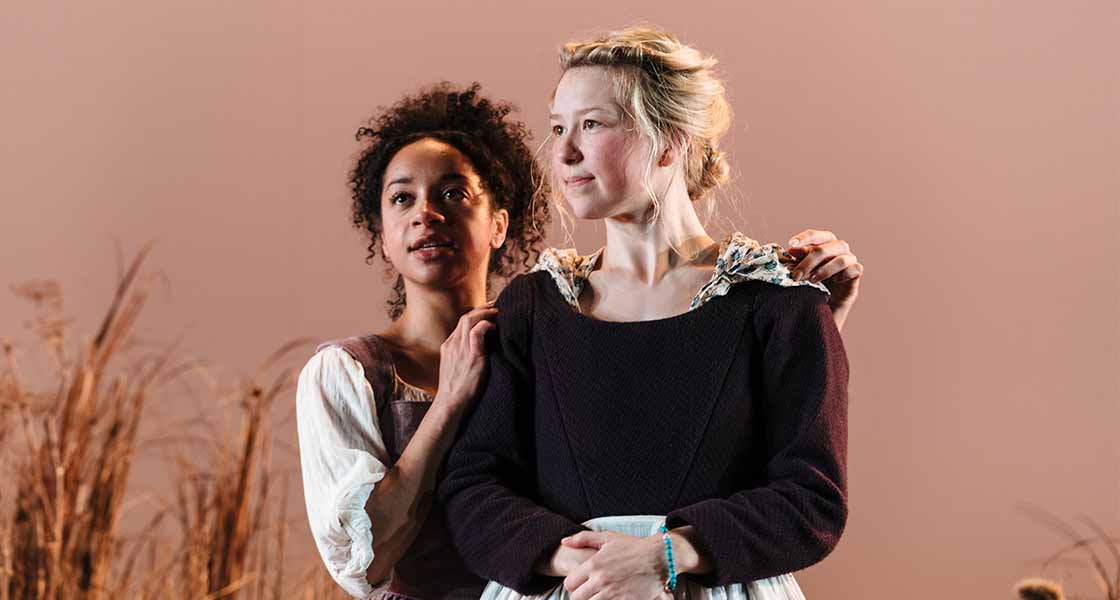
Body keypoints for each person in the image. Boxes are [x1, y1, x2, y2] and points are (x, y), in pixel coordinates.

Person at [298, 80, 863, 598]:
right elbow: (373, 553)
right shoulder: (365, 369)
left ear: (500, 223)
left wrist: (813, 327)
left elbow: (774, 463)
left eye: (453, 195)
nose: (426, 216)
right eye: (401, 199)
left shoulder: (523, 325)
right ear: (379, 232)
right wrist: (449, 402)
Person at [438, 27, 851, 599]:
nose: (564, 152)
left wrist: (667, 556)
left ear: (669, 142)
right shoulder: (532, 307)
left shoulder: (781, 304)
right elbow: (473, 486)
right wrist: (584, 563)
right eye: (557, 128)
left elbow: (812, 497)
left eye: (592, 124)